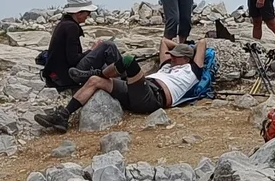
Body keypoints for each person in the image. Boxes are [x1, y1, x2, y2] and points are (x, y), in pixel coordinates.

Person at [34, 36, 206, 132]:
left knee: (129, 61)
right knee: (95, 82)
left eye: (176, 55)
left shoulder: (193, 71)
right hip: (139, 90)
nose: (172, 57)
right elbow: (163, 41)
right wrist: (178, 50)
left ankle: (99, 72)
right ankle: (63, 116)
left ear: (187, 59)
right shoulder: (167, 65)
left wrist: (188, 48)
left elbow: (202, 43)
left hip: (154, 97)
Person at [40, 0, 122, 94]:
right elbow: (73, 60)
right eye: (87, 12)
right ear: (79, 13)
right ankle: (126, 78)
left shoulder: (64, 24)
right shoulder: (71, 28)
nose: (88, 16)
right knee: (108, 46)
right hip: (68, 76)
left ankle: (117, 79)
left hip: (57, 77)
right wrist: (92, 50)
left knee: (104, 64)